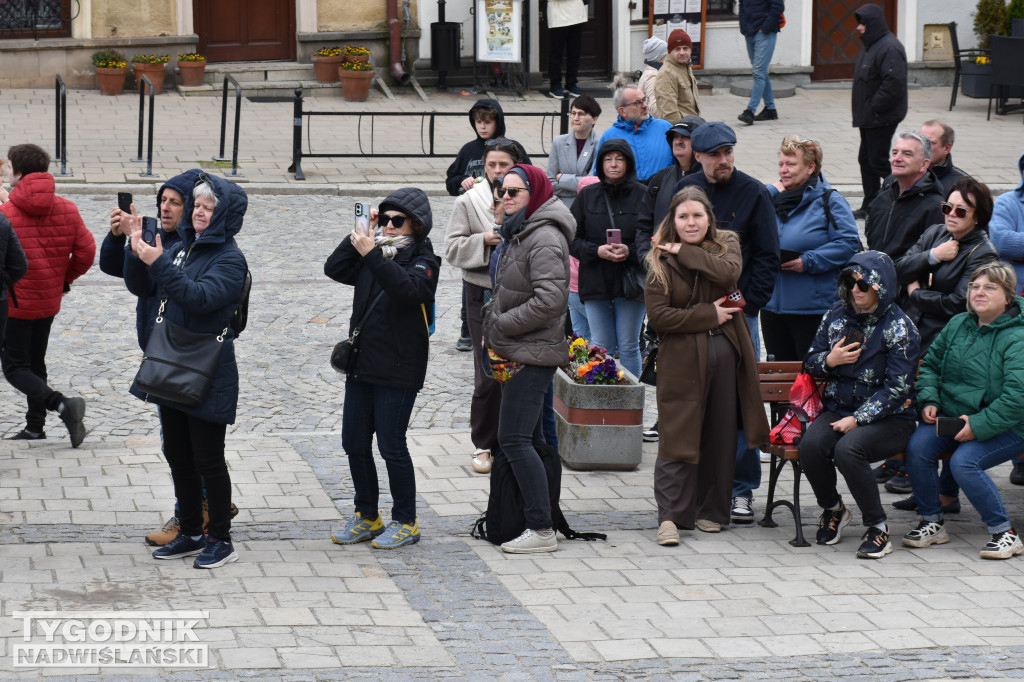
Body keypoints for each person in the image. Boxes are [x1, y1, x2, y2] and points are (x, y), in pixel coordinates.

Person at [102, 169, 242, 547]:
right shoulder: (180, 248)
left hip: (203, 367)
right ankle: (192, 528)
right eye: (196, 206)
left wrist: (157, 260)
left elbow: (198, 298)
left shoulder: (227, 258)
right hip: (169, 360)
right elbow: (139, 284)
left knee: (206, 458)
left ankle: (217, 536)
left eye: (205, 207)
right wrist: (132, 245)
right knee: (178, 453)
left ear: (222, 214)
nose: (197, 212)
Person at [645, 186, 768, 544]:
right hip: (681, 360)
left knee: (721, 434)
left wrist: (684, 251)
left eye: (697, 215)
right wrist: (708, 315)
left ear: (709, 218)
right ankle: (670, 516)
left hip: (726, 357)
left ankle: (713, 510)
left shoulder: (726, 244)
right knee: (677, 435)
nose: (691, 222)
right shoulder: (659, 260)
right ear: (672, 220)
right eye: (683, 216)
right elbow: (659, 316)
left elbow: (727, 275)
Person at [676, 122, 779, 524]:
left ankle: (741, 489)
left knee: (739, 401)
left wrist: (748, 305)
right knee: (693, 400)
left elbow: (768, 255)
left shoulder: (753, 192)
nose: (724, 160)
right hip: (692, 313)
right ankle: (699, 486)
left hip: (737, 316)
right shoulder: (685, 190)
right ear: (698, 156)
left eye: (729, 152)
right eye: (715, 154)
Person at [325, 188, 440, 550]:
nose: (389, 225)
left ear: (416, 225)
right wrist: (361, 234)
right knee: (354, 442)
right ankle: (367, 515)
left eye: (397, 220)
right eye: (385, 218)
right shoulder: (375, 252)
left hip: (399, 368)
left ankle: (406, 521)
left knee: (391, 445)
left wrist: (372, 254)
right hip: (363, 364)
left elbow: (408, 290)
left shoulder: (424, 259)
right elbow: (334, 268)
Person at [798, 252, 920, 559]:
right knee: (810, 445)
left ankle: (878, 527)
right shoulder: (836, 314)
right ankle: (833, 508)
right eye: (850, 282)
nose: (855, 289)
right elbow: (810, 361)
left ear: (881, 287)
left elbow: (898, 389)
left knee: (848, 449)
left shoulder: (900, 327)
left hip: (892, 418)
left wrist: (858, 419)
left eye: (864, 284)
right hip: (839, 409)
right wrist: (829, 360)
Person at [903, 261, 1024, 560]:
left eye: (989, 287)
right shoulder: (958, 323)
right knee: (918, 448)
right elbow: (930, 366)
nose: (979, 292)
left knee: (964, 462)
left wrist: (978, 424)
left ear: (1008, 296)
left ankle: (1004, 533)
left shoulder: (1018, 336)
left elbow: (1017, 397)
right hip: (953, 418)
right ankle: (932, 522)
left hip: (1010, 424)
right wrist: (929, 400)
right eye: (974, 286)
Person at [483, 164, 574, 554]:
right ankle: (534, 517)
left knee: (514, 439)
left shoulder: (545, 236)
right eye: (502, 191)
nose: (506, 197)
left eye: (514, 192)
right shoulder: (520, 230)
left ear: (533, 193)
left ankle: (541, 529)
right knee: (530, 439)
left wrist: (501, 324)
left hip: (532, 353)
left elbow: (550, 301)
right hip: (519, 350)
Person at [1, 143, 94, 446]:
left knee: (15, 367)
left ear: (18, 172)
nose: (6, 171)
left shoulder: (6, 213)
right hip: (47, 302)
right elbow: (86, 252)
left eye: (9, 166)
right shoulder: (67, 208)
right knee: (35, 362)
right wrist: (63, 279)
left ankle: (62, 405)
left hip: (15, 305)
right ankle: (34, 427)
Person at [446, 139, 524, 474]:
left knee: (520, 373)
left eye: (504, 164)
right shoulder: (469, 200)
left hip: (520, 294)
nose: (497, 171)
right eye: (491, 164)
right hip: (482, 292)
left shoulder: (526, 198)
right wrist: (483, 241)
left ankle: (516, 441)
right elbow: (452, 248)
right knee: (488, 374)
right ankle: (483, 443)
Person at [761, 136, 860, 362]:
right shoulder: (772, 199)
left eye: (791, 164)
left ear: (810, 167)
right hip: (772, 307)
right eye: (781, 164)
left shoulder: (830, 201)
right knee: (780, 375)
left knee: (811, 374)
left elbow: (848, 242)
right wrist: (768, 192)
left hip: (812, 310)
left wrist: (807, 261)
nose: (783, 170)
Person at [446, 100, 530, 352]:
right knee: (471, 293)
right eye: (478, 122)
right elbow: (451, 180)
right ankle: (466, 329)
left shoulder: (516, 153)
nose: (496, 170)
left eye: (488, 122)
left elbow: (530, 177)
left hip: (517, 279)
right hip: (479, 273)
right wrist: (462, 181)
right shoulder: (468, 152)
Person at [570, 139, 648, 378]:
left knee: (628, 345)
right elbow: (571, 239)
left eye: (619, 159)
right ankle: (601, 396)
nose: (613, 164)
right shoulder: (587, 196)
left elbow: (651, 238)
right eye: (608, 159)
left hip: (631, 281)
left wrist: (630, 251)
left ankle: (631, 397)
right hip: (596, 279)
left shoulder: (643, 195)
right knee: (600, 344)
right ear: (600, 163)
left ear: (628, 163)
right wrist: (596, 251)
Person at [851, 3, 908, 217]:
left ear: (872, 24)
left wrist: (874, 106)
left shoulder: (889, 48)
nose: (859, 27)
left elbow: (893, 84)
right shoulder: (872, 45)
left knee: (877, 161)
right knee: (866, 160)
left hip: (881, 117)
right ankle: (871, 204)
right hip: (869, 117)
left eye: (862, 23)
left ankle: (905, 195)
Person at [636, 116, 706, 267]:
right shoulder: (661, 178)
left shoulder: (710, 180)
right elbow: (643, 224)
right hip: (660, 266)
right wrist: (646, 258)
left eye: (685, 137)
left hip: (698, 267)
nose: (678, 141)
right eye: (675, 136)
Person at [864, 132, 944, 263]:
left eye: (907, 154)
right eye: (895, 153)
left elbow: (929, 256)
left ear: (924, 164)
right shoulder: (884, 196)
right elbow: (870, 233)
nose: (897, 158)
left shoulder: (934, 207)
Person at [594, 82, 673, 183]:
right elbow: (600, 174)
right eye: (638, 103)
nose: (645, 105)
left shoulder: (665, 128)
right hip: (627, 192)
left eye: (644, 100)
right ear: (622, 111)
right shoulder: (610, 136)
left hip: (664, 191)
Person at [548, 94, 601, 208]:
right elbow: (550, 183)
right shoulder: (558, 142)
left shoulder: (600, 144)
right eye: (573, 113)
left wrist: (562, 179)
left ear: (594, 119)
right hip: (561, 206)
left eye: (581, 114)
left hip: (589, 205)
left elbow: (593, 184)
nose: (575, 118)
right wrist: (580, 185)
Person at [737, 0, 784, 125]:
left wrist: (765, 27)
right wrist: (743, 26)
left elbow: (778, 6)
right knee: (761, 72)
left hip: (765, 33)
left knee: (758, 72)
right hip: (749, 32)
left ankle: (750, 111)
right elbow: (742, 5)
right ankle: (770, 110)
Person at [653, 29, 700, 124]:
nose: (682, 52)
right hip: (681, 129)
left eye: (685, 48)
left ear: (691, 50)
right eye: (677, 49)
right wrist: (682, 131)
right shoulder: (667, 74)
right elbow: (670, 113)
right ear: (670, 51)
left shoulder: (685, 66)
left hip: (692, 125)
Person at [546, 0, 588, 98]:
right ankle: (555, 85)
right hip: (558, 18)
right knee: (556, 54)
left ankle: (571, 84)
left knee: (574, 53)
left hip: (577, 15)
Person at [919, 120, 968, 195]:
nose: (922, 147)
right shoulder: (904, 172)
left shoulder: (963, 185)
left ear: (947, 148)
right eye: (919, 140)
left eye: (930, 143)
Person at [637, 37, 667, 119]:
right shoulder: (652, 76)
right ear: (659, 58)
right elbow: (654, 106)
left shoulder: (653, 72)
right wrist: (669, 117)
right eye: (666, 54)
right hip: (652, 122)